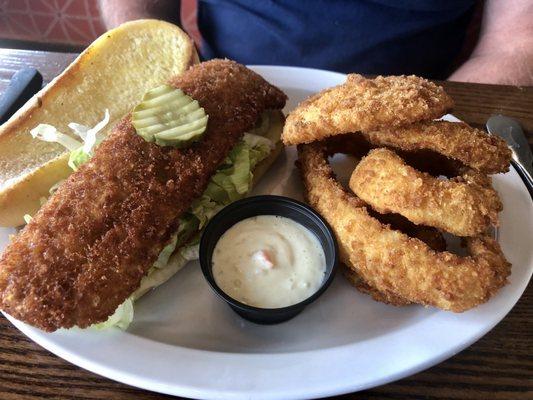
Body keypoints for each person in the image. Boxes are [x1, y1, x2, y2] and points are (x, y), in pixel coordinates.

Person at [98, 0, 533, 85]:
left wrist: (436, 129)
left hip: (416, 104)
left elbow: (515, 44)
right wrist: (166, 80)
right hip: (219, 82)